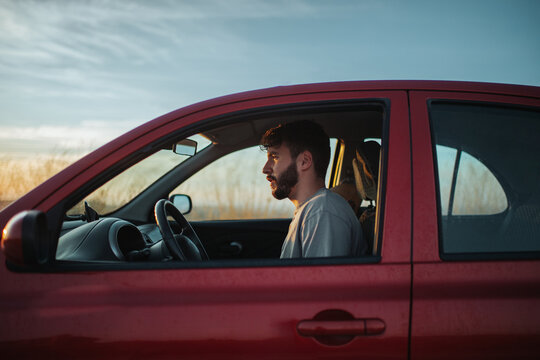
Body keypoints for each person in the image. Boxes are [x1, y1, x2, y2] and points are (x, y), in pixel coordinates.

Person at [260, 120, 367, 258]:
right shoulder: (313, 209)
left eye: (275, 157)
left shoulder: (322, 211)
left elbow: (322, 279)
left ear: (304, 161)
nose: (265, 169)